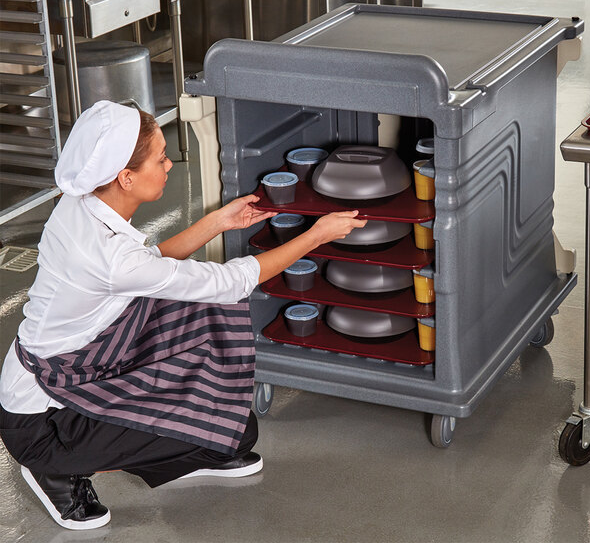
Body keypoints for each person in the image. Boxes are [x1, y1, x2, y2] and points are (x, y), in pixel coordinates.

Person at [0, 100, 366, 531]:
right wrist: (316, 235)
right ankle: (54, 469)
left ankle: (178, 450)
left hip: (85, 367)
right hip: (43, 420)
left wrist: (215, 222)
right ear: (126, 176)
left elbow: (145, 268)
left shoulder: (83, 205)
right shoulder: (106, 254)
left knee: (233, 430)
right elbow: (229, 282)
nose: (170, 164)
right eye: (161, 157)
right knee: (215, 421)